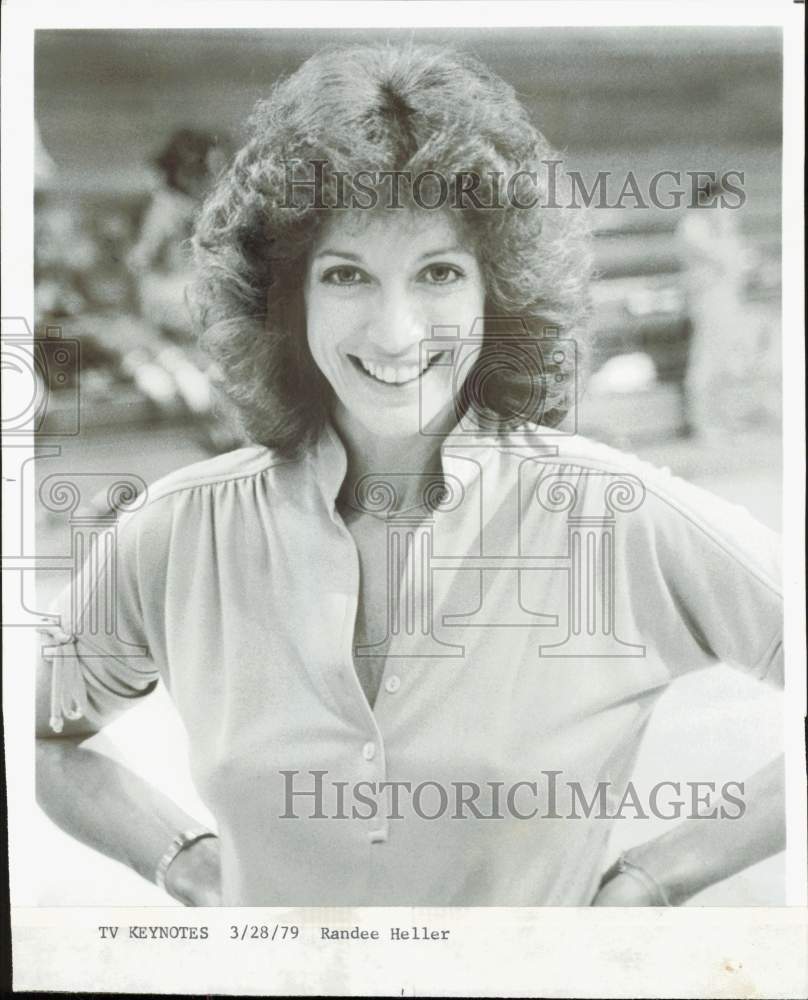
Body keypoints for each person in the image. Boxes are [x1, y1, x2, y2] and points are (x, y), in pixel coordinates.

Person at [36, 43, 784, 907]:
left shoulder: (616, 518)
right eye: (347, 274)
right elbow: (41, 738)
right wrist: (188, 863)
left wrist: (658, 877)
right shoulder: (178, 531)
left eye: (437, 273)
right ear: (288, 299)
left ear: (493, 292)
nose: (396, 333)